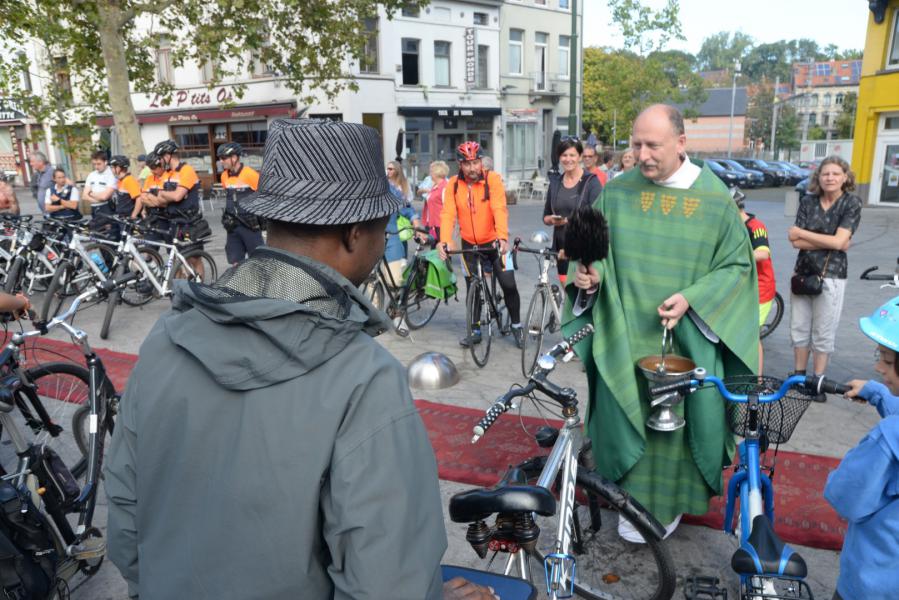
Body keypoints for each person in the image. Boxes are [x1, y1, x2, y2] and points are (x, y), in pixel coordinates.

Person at [104, 118, 505, 600]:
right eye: (384, 224)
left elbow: (127, 528)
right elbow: (385, 583)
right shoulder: (363, 379)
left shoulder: (167, 338)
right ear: (357, 234)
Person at [564, 104, 758, 542]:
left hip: (687, 342)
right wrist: (589, 278)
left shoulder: (713, 198)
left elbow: (737, 268)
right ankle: (628, 501)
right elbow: (593, 255)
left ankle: (668, 505)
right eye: (637, 144)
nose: (643, 154)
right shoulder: (616, 193)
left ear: (681, 143)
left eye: (653, 145)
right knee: (624, 415)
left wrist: (692, 298)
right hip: (625, 335)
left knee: (677, 427)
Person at [824, 296, 899, 600]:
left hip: (873, 580)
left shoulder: (886, 440)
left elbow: (845, 498)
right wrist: (878, 393)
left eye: (887, 359)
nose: (878, 366)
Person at [438, 141, 524, 349]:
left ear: (481, 162)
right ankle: (475, 330)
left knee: (509, 283)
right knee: (472, 287)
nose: (472, 168)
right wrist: (444, 240)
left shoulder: (492, 179)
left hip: (495, 242)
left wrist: (502, 237)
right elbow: (448, 213)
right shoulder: (453, 184)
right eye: (467, 164)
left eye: (475, 162)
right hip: (469, 244)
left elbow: (499, 208)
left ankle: (516, 324)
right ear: (460, 164)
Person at [788, 156, 862, 395]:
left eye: (835, 174)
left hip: (831, 275)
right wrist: (831, 240)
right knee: (798, 328)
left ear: (845, 177)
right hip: (802, 273)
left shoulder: (851, 203)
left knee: (823, 331)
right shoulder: (808, 201)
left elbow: (840, 242)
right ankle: (799, 378)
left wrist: (805, 233)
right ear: (818, 177)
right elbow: (793, 240)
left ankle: (817, 382)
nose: (830, 178)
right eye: (825, 173)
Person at [542, 137, 602, 285]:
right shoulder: (556, 183)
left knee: (581, 300)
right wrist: (552, 220)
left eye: (572, 155)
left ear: (580, 157)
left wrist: (569, 220)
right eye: (564, 155)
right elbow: (546, 215)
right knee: (567, 295)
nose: (568, 159)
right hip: (561, 249)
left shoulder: (591, 182)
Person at [735, 190, 776, 374]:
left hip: (761, 288)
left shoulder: (755, 226)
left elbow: (762, 253)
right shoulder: (733, 225)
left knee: (752, 335)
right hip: (742, 288)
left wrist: (734, 256)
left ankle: (758, 380)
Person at [143, 139, 202, 241]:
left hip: (188, 219)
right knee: (177, 253)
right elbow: (160, 200)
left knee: (192, 255)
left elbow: (177, 196)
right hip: (173, 220)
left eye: (160, 158)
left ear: (167, 156)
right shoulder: (167, 173)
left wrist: (162, 194)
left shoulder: (186, 170)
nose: (160, 161)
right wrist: (164, 196)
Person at [218, 142, 264, 265]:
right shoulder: (224, 176)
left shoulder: (250, 174)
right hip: (233, 226)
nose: (221, 161)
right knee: (235, 263)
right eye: (220, 158)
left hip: (249, 226)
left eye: (223, 158)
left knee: (258, 262)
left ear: (234, 158)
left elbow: (264, 196)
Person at [83, 150, 118, 220]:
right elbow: (84, 196)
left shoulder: (111, 174)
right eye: (94, 164)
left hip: (107, 208)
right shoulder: (91, 175)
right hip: (94, 208)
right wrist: (98, 198)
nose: (96, 167)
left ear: (106, 162)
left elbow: (105, 196)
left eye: (99, 164)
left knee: (109, 230)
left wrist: (90, 193)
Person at [109, 155, 143, 222]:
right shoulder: (120, 180)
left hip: (128, 218)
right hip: (121, 217)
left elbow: (139, 198)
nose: (111, 170)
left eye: (112, 167)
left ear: (118, 168)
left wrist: (133, 216)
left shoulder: (129, 180)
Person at [422, 161, 449, 240]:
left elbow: (447, 208)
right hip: (433, 225)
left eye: (431, 171)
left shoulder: (445, 187)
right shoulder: (435, 186)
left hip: (441, 225)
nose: (430, 174)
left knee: (440, 249)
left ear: (436, 173)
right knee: (434, 249)